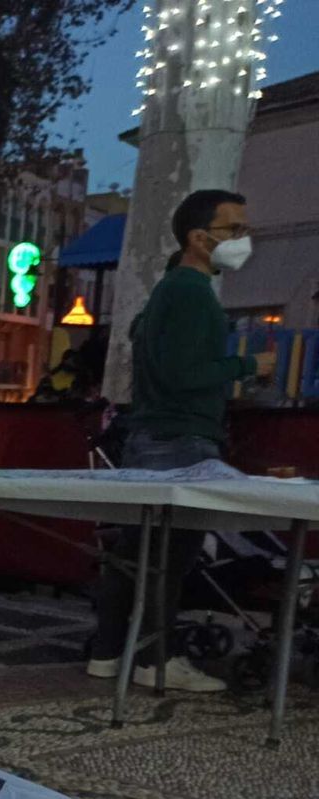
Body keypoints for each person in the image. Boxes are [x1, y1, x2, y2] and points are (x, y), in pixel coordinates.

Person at [87, 189, 274, 691]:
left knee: (135, 553)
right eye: (234, 229)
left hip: (152, 436)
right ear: (199, 238)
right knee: (168, 559)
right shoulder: (191, 292)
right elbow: (185, 374)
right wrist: (247, 365)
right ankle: (155, 661)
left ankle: (107, 653)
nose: (243, 239)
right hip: (181, 440)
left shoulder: (169, 289)